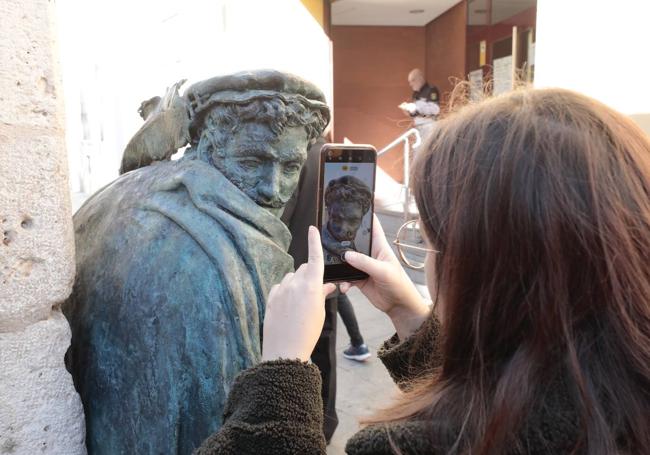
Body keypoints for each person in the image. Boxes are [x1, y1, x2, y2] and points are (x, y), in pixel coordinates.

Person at [196, 88, 650, 454]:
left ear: (480, 269)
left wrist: (282, 372)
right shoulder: (618, 401)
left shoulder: (407, 447)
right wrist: (412, 317)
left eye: (428, 237)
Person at [62, 70, 329, 454]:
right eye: (252, 161)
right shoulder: (210, 264)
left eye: (289, 167)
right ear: (207, 147)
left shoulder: (131, 188)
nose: (273, 188)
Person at [281, 137, 370, 443]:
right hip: (329, 269)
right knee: (325, 349)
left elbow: (282, 214)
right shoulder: (328, 158)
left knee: (292, 349)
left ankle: (299, 424)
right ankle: (325, 424)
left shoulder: (293, 157)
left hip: (296, 269)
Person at [399, 68, 440, 140]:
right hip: (418, 127)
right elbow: (417, 113)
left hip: (429, 127)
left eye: (413, 80)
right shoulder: (415, 93)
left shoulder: (431, 90)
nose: (411, 84)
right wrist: (408, 111)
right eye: (409, 82)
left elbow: (435, 109)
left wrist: (415, 107)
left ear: (420, 78)